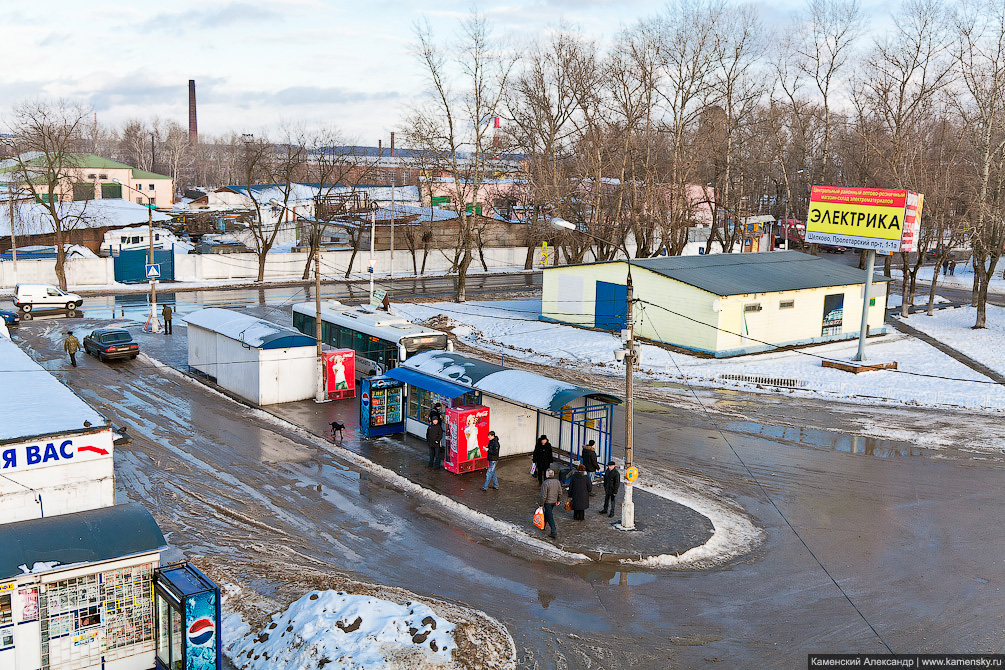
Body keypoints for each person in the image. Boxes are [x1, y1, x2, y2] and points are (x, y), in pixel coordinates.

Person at [539, 468, 561, 539]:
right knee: (547, 513)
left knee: (550, 515)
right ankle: (543, 525)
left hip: (547, 502)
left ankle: (553, 531)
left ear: (547, 475)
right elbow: (560, 492)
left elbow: (543, 495)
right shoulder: (557, 482)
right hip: (554, 501)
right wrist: (558, 500)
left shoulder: (545, 483)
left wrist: (541, 504)